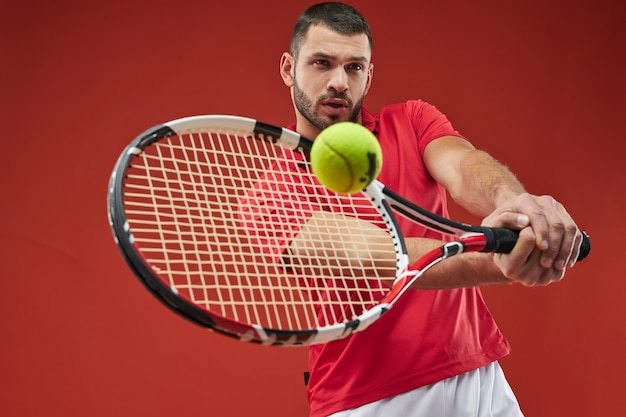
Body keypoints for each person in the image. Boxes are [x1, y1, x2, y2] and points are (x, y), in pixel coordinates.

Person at [273, 2, 583, 416]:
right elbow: (379, 258)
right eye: (322, 63)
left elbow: (463, 166)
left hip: (477, 373)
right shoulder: (272, 194)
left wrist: (516, 205)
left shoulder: (413, 119)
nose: (338, 82)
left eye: (354, 67)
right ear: (288, 68)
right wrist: (497, 263)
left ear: (369, 74)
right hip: (370, 399)